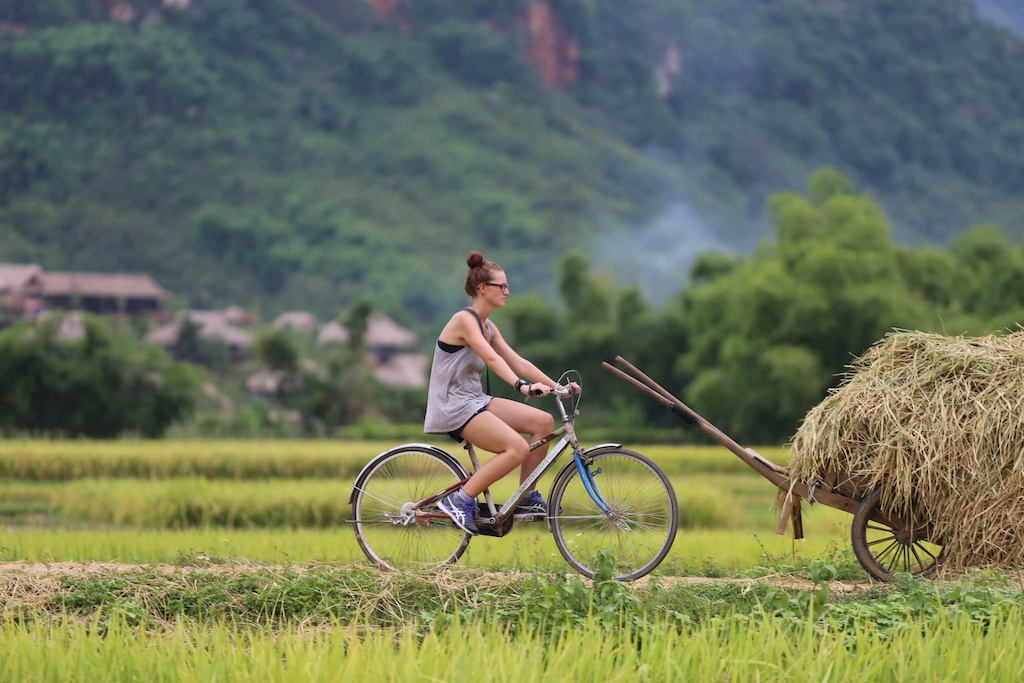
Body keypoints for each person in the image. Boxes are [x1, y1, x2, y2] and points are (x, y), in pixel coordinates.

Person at [424, 251, 579, 535]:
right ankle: (459, 501)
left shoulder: (488, 326)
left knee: (543, 423)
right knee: (517, 448)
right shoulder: (463, 320)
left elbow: (518, 361)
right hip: (453, 406)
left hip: (475, 401)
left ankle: (525, 498)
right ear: (482, 288)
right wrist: (521, 386)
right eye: (502, 286)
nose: (507, 291)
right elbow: (493, 360)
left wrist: (558, 388)